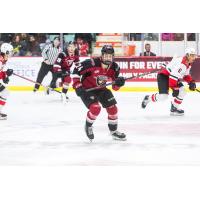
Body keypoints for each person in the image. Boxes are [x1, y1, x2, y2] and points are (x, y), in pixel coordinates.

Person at [72, 45, 126, 141]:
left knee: (113, 109)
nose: (108, 58)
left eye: (110, 56)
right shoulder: (91, 63)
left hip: (101, 89)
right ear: (102, 56)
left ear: (113, 56)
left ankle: (113, 132)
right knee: (95, 108)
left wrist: (119, 84)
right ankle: (88, 126)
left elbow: (115, 87)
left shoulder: (115, 68)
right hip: (87, 89)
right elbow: (76, 71)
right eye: (106, 55)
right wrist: (77, 85)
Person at [141, 47, 197, 116]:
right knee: (163, 96)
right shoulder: (182, 64)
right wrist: (175, 88)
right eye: (192, 55)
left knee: (182, 92)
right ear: (187, 55)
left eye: (194, 55)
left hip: (172, 77)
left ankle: (174, 108)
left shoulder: (188, 63)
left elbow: (185, 75)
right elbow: (172, 77)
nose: (193, 57)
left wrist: (191, 82)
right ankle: (148, 98)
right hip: (163, 76)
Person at [0, 43, 14, 120]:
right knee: (5, 92)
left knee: (5, 92)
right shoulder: (0, 60)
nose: (12, 53)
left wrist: (5, 75)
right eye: (10, 51)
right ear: (6, 51)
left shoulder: (3, 59)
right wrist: (5, 74)